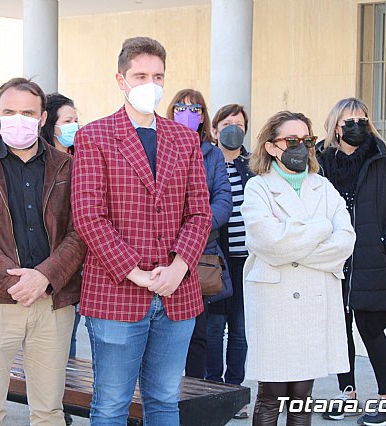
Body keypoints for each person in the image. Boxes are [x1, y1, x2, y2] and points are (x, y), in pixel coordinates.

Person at [71, 36, 212, 425]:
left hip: (176, 292)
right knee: (112, 404)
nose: (151, 84)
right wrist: (136, 273)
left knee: (164, 399)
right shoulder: (94, 136)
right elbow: (88, 216)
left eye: (158, 76)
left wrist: (179, 267)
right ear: (121, 80)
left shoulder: (184, 138)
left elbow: (200, 213)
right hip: (117, 292)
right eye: (140, 76)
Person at [0, 77, 86, 426]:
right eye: (9, 111)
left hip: (52, 302)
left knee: (49, 412)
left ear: (43, 118)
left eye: (27, 113)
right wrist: (16, 281)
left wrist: (44, 276)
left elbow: (80, 231)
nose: (17, 119)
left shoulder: (67, 166)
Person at [241, 111, 356, 426]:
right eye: (291, 140)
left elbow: (345, 242)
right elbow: (269, 242)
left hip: (313, 304)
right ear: (271, 147)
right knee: (271, 397)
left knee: (302, 399)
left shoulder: (324, 187)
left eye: (307, 140)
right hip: (274, 304)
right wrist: (321, 228)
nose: (301, 147)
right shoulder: (258, 188)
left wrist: (293, 240)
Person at [317, 98, 386, 426]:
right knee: (339, 331)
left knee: (371, 329)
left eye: (362, 120)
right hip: (333, 259)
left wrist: (383, 243)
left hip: (370, 261)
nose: (356, 126)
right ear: (336, 127)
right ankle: (347, 395)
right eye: (349, 122)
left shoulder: (384, 161)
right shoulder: (320, 162)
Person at [165, 89, 232, 380]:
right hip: (160, 252)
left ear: (204, 116)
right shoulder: (156, 145)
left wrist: (195, 228)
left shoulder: (212, 154)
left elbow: (223, 201)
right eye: (181, 108)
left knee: (198, 333)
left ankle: (193, 390)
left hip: (200, 252)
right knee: (159, 332)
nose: (188, 114)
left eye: (195, 109)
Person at [208, 103, 253, 419]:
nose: (232, 129)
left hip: (247, 261)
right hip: (216, 261)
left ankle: (235, 390)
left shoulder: (254, 166)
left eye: (238, 124)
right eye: (226, 124)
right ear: (215, 130)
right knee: (214, 327)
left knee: (239, 328)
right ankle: (212, 389)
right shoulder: (207, 162)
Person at [43, 92, 82, 426]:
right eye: (68, 121)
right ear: (50, 125)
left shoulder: (81, 159)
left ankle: (63, 404)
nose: (75, 126)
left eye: (76, 120)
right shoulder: (42, 163)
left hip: (80, 269)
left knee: (70, 340)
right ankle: (52, 405)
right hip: (49, 269)